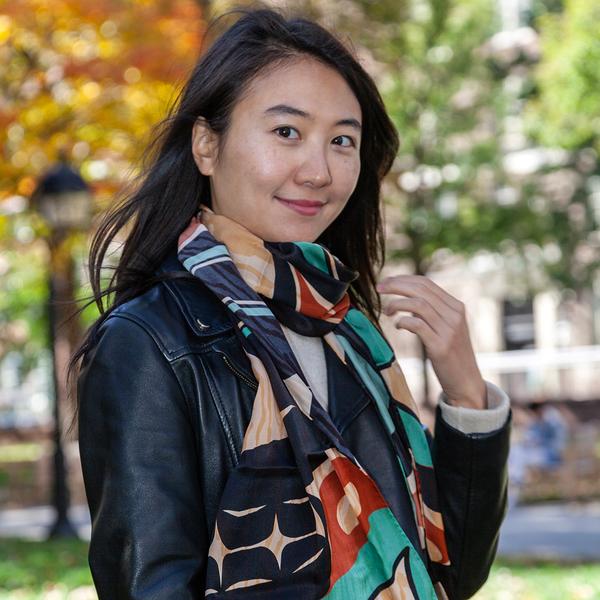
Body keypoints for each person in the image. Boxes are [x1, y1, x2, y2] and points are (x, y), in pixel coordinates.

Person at [74, 8, 511, 600]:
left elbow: (448, 572)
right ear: (207, 144)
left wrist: (467, 396)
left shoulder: (350, 334)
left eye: (342, 141)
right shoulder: (147, 343)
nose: (318, 170)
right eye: (287, 132)